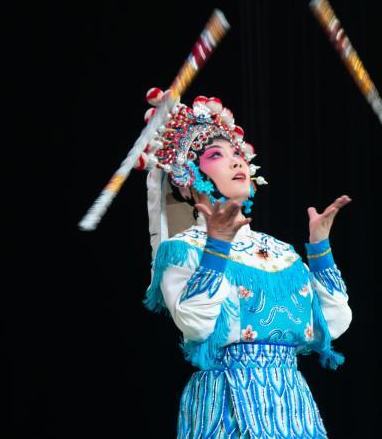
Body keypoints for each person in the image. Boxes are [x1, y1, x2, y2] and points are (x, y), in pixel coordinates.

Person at [137, 89, 353, 438]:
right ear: (187, 179)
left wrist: (320, 249)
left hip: (290, 408)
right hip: (226, 406)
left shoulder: (280, 251)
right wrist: (217, 246)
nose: (237, 162)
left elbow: (334, 323)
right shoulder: (183, 248)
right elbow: (195, 325)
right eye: (217, 155)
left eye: (238, 154)